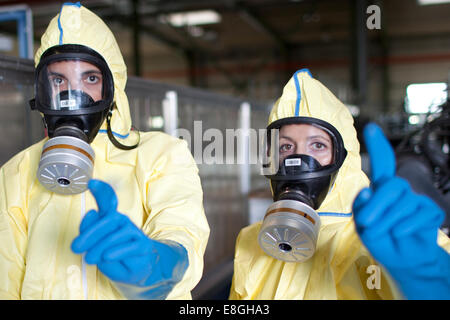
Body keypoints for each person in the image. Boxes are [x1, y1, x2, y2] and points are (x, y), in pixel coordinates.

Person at [0, 3, 209, 300]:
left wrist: (158, 265)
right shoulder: (16, 172)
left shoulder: (161, 155)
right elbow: (5, 283)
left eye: (90, 78)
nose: (73, 97)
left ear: (112, 88)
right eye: (59, 80)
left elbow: (184, 233)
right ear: (43, 91)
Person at [229, 69, 450, 299]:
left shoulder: (388, 234)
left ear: (345, 157)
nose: (299, 162)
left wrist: (429, 277)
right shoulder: (251, 241)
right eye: (285, 147)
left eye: (317, 146)